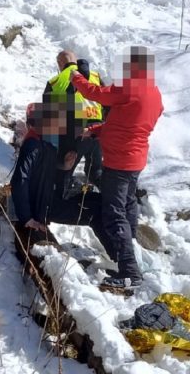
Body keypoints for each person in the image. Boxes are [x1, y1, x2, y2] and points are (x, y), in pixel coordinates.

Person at [70, 47, 163, 292]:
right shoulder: (153, 93)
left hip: (119, 162)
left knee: (113, 213)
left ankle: (129, 271)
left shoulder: (130, 88)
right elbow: (129, 123)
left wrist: (75, 76)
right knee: (128, 203)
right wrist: (97, 131)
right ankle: (132, 252)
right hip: (135, 160)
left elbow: (94, 93)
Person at [10, 96, 103, 239]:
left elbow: (43, 169)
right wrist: (27, 217)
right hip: (44, 207)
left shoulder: (45, 142)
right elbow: (19, 180)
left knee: (99, 202)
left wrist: (63, 166)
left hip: (50, 199)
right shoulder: (32, 145)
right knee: (95, 213)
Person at [45, 48, 103, 185]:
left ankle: (62, 194)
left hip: (76, 132)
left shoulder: (56, 81)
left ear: (60, 64)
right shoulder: (95, 76)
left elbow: (50, 119)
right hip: (98, 130)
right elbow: (106, 102)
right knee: (96, 171)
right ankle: (110, 195)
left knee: (64, 171)